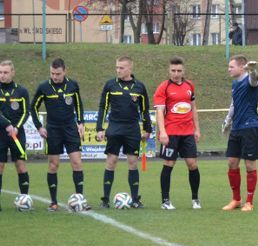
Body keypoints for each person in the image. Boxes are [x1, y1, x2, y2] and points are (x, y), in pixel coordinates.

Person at [31, 58, 88, 212]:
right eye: (52, 73)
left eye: (58, 73)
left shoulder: (72, 85)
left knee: (77, 163)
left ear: (65, 71)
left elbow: (78, 105)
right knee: (53, 165)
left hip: (70, 128)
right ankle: (53, 202)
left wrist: (81, 122)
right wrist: (39, 127)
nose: (55, 76)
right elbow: (33, 107)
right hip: (53, 129)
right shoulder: (44, 87)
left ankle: (80, 200)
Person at [96, 57, 152, 209]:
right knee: (111, 162)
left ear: (129, 69)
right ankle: (105, 200)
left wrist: (148, 129)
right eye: (117, 67)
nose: (118, 70)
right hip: (114, 128)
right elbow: (103, 107)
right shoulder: (111, 85)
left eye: (121, 68)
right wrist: (100, 128)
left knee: (133, 163)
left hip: (132, 129)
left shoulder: (139, 87)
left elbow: (145, 110)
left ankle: (135, 199)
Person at [153, 57, 201, 210]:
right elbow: (159, 112)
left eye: (179, 70)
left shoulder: (189, 86)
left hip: (187, 132)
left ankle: (195, 199)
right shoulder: (163, 87)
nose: (176, 73)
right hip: (171, 132)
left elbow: (193, 108)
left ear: (183, 71)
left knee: (192, 164)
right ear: (169, 70)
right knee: (169, 164)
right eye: (173, 70)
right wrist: (163, 132)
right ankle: (165, 201)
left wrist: (197, 129)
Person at [222, 55, 258, 212]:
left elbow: (255, 79)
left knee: (249, 164)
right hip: (236, 128)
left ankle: (249, 202)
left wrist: (253, 70)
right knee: (232, 162)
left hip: (250, 127)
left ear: (241, 67)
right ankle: (236, 199)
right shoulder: (234, 83)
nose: (229, 69)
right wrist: (227, 120)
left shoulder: (250, 80)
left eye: (232, 67)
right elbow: (234, 103)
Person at [0, 60, 31, 210]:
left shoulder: (22, 91)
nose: (2, 75)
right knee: (0, 166)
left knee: (20, 165)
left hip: (17, 135)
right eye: (0, 72)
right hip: (1, 134)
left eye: (5, 72)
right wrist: (7, 125)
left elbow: (26, 112)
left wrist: (16, 128)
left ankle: (25, 200)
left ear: (13, 72)